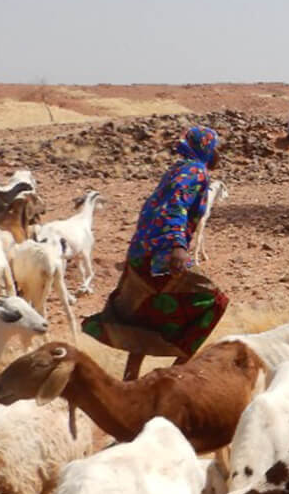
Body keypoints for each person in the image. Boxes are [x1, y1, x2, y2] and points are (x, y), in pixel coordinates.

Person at [82, 125, 230, 380]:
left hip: (141, 251)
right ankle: (174, 375)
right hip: (162, 254)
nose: (218, 153)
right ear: (205, 147)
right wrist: (177, 246)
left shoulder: (179, 168)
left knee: (146, 308)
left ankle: (131, 378)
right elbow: (176, 203)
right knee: (215, 302)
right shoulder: (195, 170)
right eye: (215, 147)